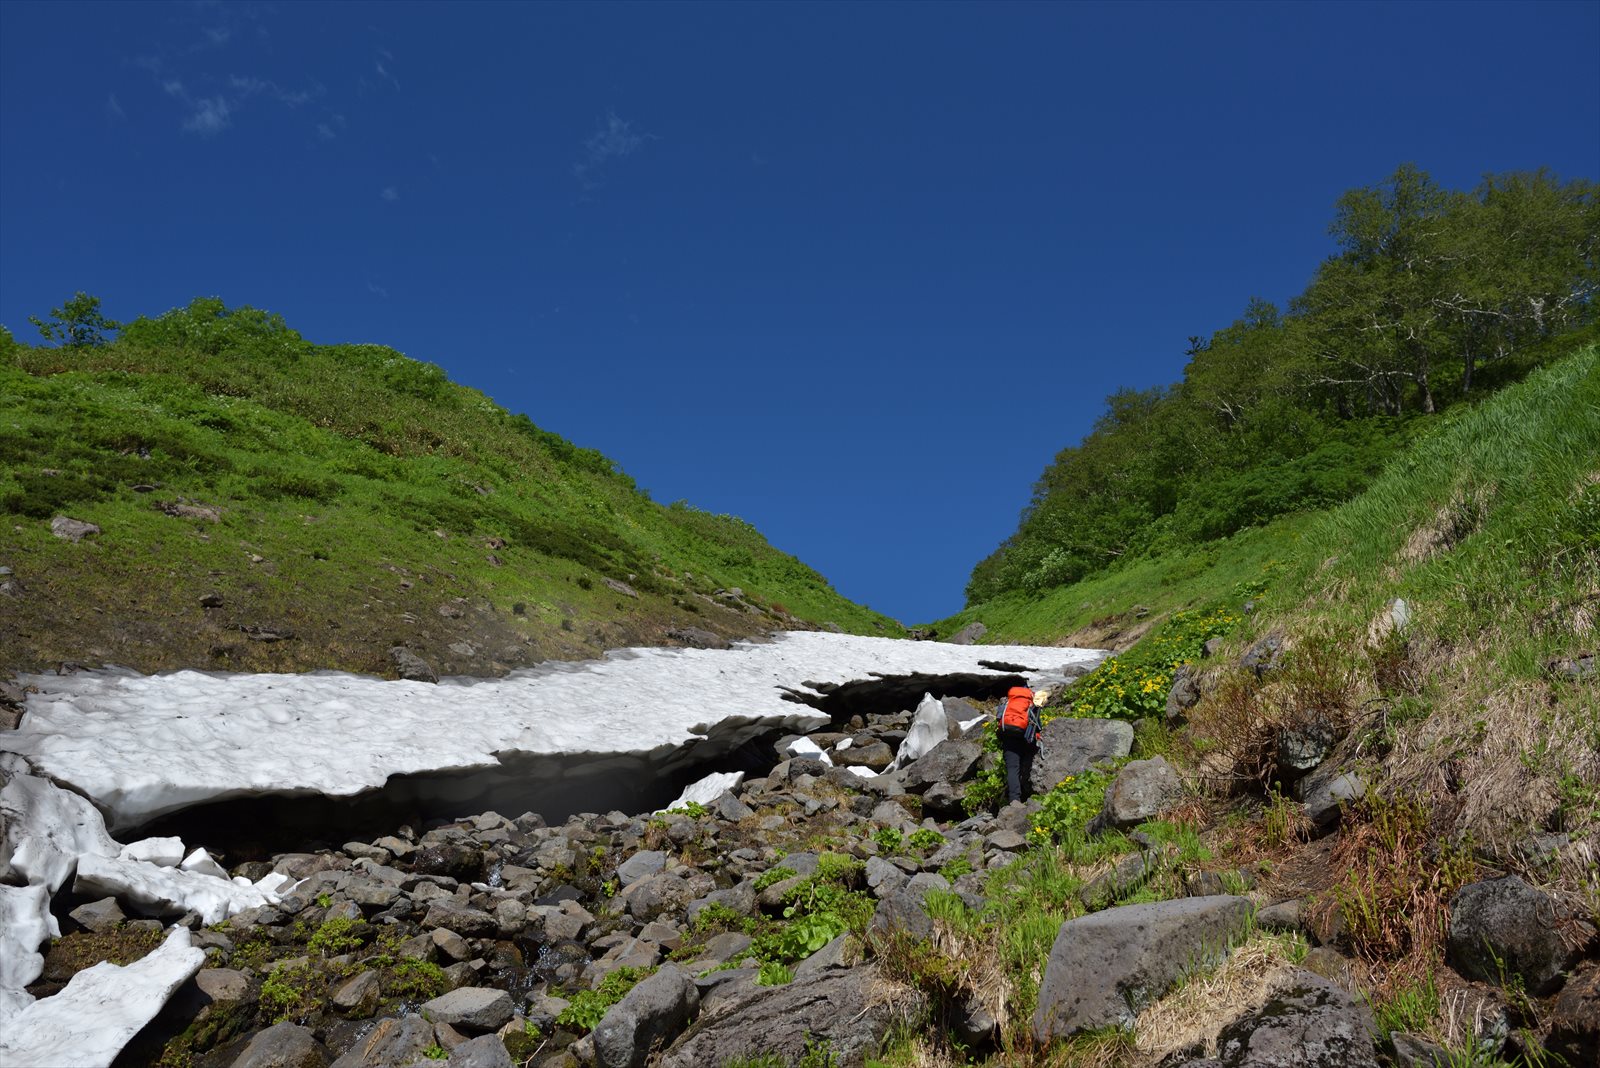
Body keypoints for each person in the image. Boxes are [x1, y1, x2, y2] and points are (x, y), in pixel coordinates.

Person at [996, 686, 1048, 804]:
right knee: (1027, 761)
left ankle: (1014, 800)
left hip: (1009, 737)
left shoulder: (1008, 702)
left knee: (1012, 768)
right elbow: (1036, 724)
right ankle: (1028, 792)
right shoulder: (1032, 702)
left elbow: (999, 719)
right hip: (1025, 737)